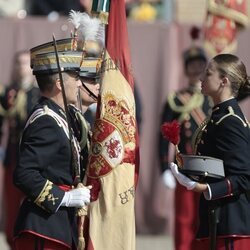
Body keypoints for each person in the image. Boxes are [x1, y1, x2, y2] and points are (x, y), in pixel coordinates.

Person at [12, 40, 91, 250]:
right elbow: (24, 174)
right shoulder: (46, 122)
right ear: (59, 84)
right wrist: (63, 198)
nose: (80, 83)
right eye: (75, 77)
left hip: (57, 226)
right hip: (44, 228)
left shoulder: (62, 116)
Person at [170, 53, 250, 250]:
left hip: (231, 225)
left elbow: (244, 176)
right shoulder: (217, 116)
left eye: (208, 73)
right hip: (215, 221)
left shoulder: (229, 121)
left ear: (223, 81)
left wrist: (204, 189)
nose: (201, 78)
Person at [158, 38, 212, 249]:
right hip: (187, 167)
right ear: (186, 68)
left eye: (200, 64)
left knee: (205, 220)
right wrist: (163, 168)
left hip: (210, 167)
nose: (196, 68)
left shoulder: (212, 98)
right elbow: (165, 135)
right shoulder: (176, 100)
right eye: (192, 64)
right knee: (184, 219)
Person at [0, 50, 40, 250]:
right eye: (18, 63)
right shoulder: (7, 93)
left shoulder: (39, 94)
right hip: (12, 156)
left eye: (25, 63)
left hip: (33, 160)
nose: (21, 67)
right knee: (11, 205)